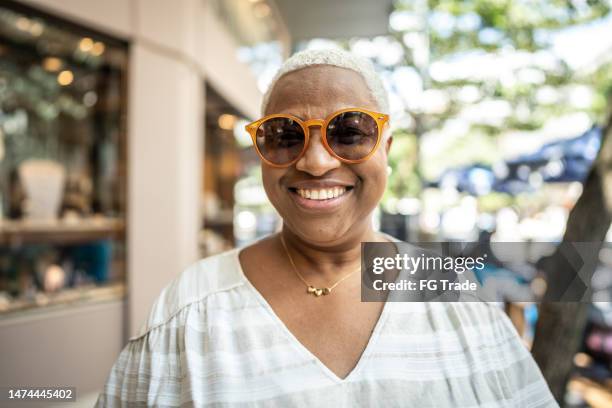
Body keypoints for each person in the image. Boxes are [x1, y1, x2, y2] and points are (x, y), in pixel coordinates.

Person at [96, 49, 557, 407]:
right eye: (284, 135)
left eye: (349, 133)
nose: (315, 162)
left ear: (387, 149)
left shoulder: (454, 297)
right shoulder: (189, 310)